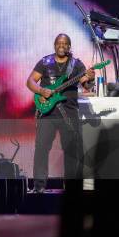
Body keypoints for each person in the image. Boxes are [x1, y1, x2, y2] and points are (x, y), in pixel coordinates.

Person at [26, 34, 94, 193]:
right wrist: (41, 91)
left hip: (69, 113)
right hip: (47, 113)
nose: (61, 46)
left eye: (65, 43)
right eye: (58, 43)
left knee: (71, 150)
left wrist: (90, 78)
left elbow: (87, 85)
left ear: (69, 47)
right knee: (41, 148)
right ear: (54, 45)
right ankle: (39, 186)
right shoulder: (45, 62)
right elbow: (30, 81)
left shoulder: (76, 65)